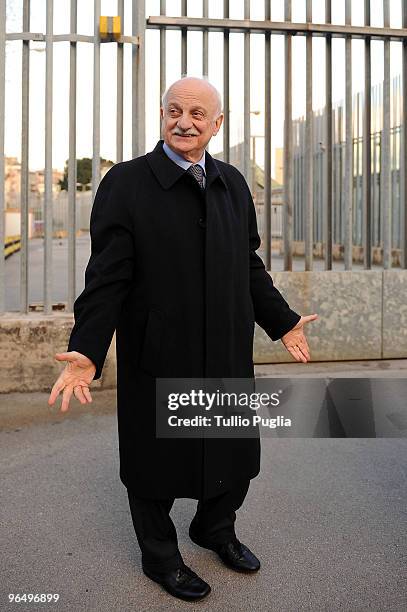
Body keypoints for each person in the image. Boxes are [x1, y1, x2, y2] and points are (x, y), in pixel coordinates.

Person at [48, 76, 317, 602]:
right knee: (154, 467)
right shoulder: (125, 184)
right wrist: (88, 348)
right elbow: (107, 276)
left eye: (197, 113)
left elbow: (247, 264)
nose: (184, 121)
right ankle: (161, 557)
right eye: (174, 110)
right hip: (159, 349)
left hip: (225, 348)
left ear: (216, 125)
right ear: (162, 116)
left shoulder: (233, 184)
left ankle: (214, 529)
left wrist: (281, 319)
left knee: (234, 458)